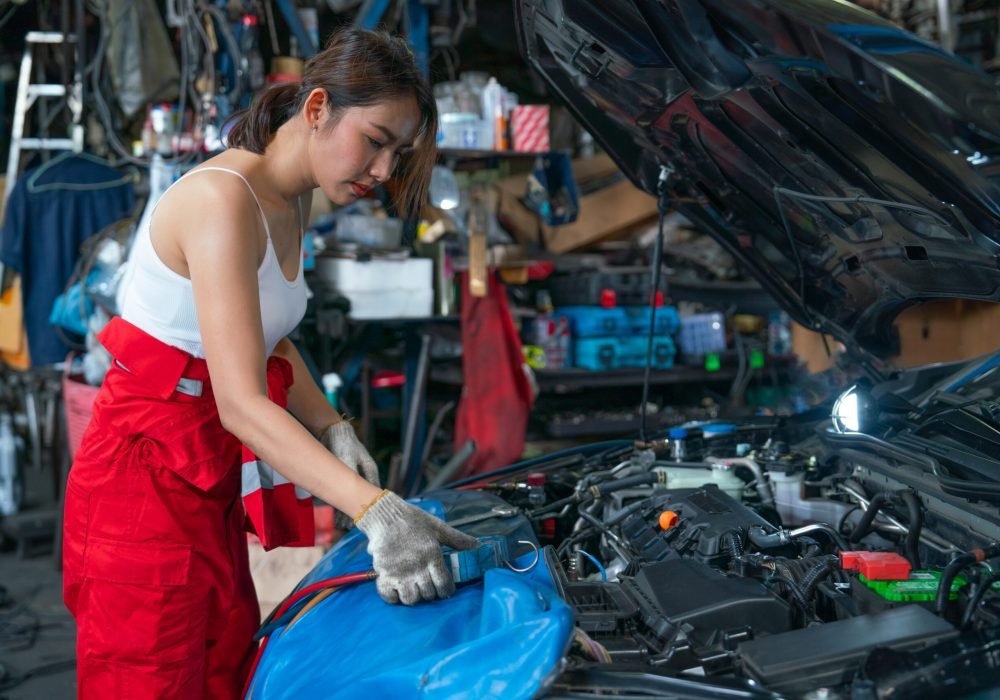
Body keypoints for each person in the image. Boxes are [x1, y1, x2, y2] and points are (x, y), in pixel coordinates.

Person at [62, 28, 477, 699]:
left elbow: (270, 341)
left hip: (206, 472)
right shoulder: (223, 200)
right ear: (317, 109)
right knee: (152, 678)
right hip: (143, 477)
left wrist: (333, 426)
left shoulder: (292, 198)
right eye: (376, 141)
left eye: (396, 154)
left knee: (224, 663)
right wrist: (377, 513)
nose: (382, 171)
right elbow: (242, 402)